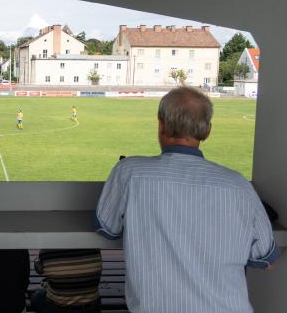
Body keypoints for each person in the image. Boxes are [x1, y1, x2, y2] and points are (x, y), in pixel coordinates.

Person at [95, 87, 279, 313]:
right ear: (207, 131)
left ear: (161, 124)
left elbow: (107, 227)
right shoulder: (239, 185)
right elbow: (265, 258)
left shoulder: (130, 173)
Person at [31, 249, 102, 313]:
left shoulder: (46, 251)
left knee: (36, 297)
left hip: (58, 308)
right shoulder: (94, 248)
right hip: (92, 307)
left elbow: (39, 270)